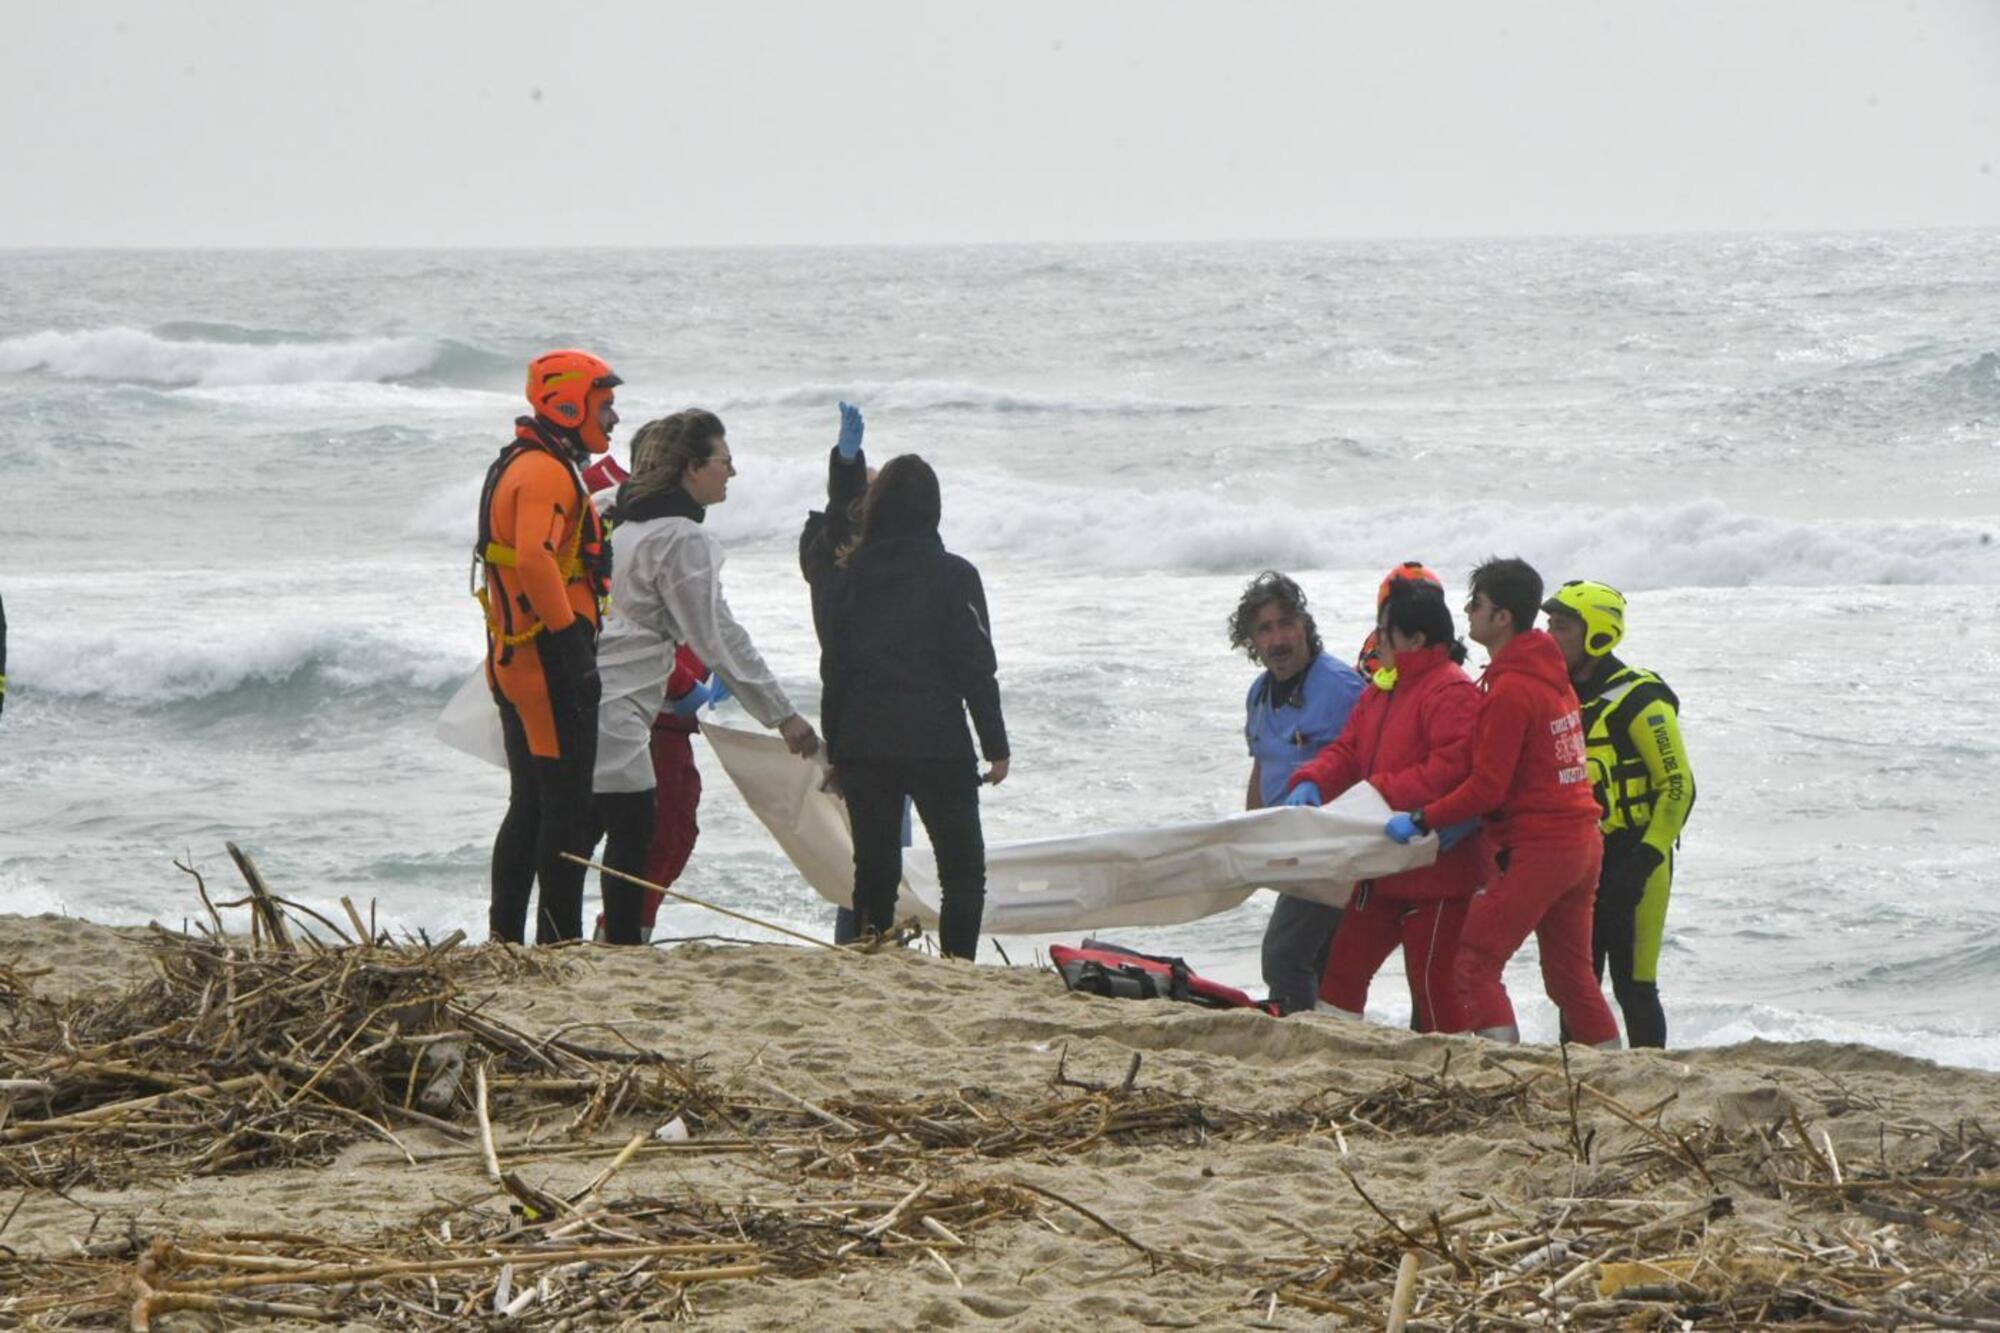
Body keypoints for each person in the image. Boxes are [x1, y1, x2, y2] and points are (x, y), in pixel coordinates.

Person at [588, 409, 819, 944]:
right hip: (623, 704)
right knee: (638, 832)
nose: (731, 473)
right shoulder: (680, 539)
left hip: (598, 695)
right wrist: (782, 715)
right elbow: (718, 636)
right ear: (691, 468)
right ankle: (621, 947)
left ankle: (574, 944)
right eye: (724, 461)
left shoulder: (624, 521)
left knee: (583, 829)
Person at [1383, 557, 1621, 1048]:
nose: (1467, 612)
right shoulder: (1551, 676)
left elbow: (1486, 788)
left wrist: (1424, 817)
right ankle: (1615, 1073)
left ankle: (1502, 1069)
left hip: (1542, 848)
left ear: (1502, 617)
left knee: (1473, 961)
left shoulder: (1511, 689)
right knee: (1570, 980)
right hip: (1582, 844)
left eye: (1477, 604)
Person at [816, 454, 1007, 960]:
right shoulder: (956, 575)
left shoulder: (849, 575)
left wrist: (836, 748)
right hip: (937, 740)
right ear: (933, 511)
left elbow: (834, 669)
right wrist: (996, 745)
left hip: (865, 740)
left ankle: (873, 957)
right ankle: (958, 965)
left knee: (875, 868)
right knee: (962, 870)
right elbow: (976, 667)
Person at [1281, 576, 1488, 1032]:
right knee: (1342, 974)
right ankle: (1336, 1049)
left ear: (1415, 638)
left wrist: (1379, 792)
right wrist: (1312, 779)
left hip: (1437, 871)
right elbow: (1347, 750)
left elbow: (1449, 771)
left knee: (1433, 985)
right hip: (1380, 868)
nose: (1378, 638)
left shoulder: (1451, 691)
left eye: (1386, 629)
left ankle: (1451, 1073)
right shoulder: (1382, 689)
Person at [476, 349, 621, 944]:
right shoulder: (543, 472)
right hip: (544, 664)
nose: (613, 419)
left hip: (515, 662)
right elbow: (536, 556)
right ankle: (557, 941)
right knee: (566, 808)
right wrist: (570, 644)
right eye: (605, 406)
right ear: (569, 403)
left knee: (532, 803)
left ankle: (507, 937)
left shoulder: (526, 462)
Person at [1542, 579, 1695, 1049]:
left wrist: (1643, 861)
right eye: (1548, 625)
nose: (1549, 637)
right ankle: (1579, 1079)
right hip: (1580, 861)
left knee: (1635, 987)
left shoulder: (1641, 699)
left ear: (1598, 636)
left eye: (1561, 627)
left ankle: (1652, 1076)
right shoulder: (1556, 694)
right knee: (1576, 986)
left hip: (1637, 861)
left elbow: (1680, 787)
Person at [1229, 572, 1365, 1014]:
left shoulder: (1342, 687)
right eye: (1264, 629)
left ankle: (1297, 1038)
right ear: (1251, 640)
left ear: (1305, 624)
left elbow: (1375, 763)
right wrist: (1251, 835)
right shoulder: (1260, 693)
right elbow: (1262, 764)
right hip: (1289, 849)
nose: (1278, 639)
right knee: (1319, 960)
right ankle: (1325, 1035)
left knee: (1284, 954)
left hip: (1334, 850)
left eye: (1286, 623)